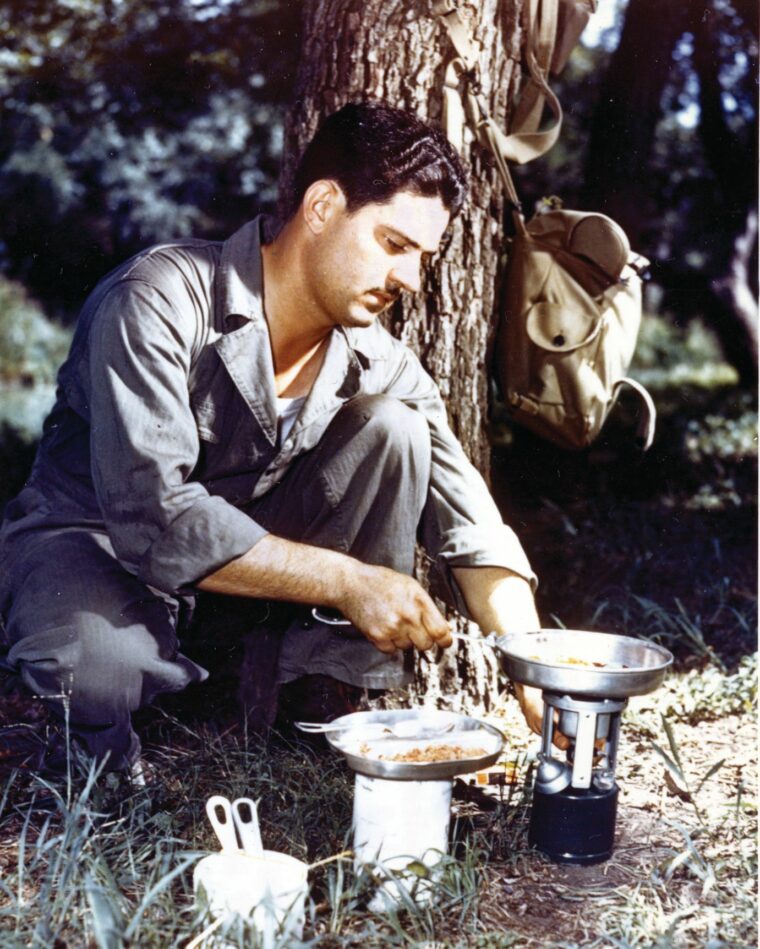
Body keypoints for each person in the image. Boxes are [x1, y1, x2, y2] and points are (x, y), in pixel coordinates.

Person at [0, 102, 544, 775]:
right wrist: (348, 581)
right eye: (395, 244)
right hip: (96, 540)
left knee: (397, 429)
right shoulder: (159, 297)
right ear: (321, 207)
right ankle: (113, 755)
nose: (410, 279)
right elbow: (152, 516)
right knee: (99, 672)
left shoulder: (381, 358)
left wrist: (535, 663)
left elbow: (472, 522)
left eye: (424, 258)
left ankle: (310, 708)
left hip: (235, 578)